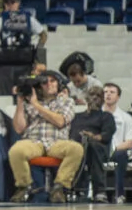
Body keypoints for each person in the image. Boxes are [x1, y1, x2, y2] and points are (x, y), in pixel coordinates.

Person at [7, 71, 81, 202]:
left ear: (59, 84)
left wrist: (36, 105)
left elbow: (60, 121)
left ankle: (60, 187)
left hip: (57, 142)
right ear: (39, 86)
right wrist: (20, 102)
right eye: (45, 82)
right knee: (16, 150)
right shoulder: (28, 102)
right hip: (34, 141)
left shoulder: (67, 101)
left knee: (76, 149)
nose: (49, 84)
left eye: (52, 81)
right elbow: (19, 128)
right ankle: (24, 186)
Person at [70, 83, 117, 204]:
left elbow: (106, 136)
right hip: (78, 147)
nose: (95, 98)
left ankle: (99, 190)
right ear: (86, 98)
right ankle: (74, 189)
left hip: (99, 149)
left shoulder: (106, 117)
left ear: (102, 99)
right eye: (92, 95)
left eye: (98, 95)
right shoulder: (77, 117)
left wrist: (92, 136)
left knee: (92, 146)